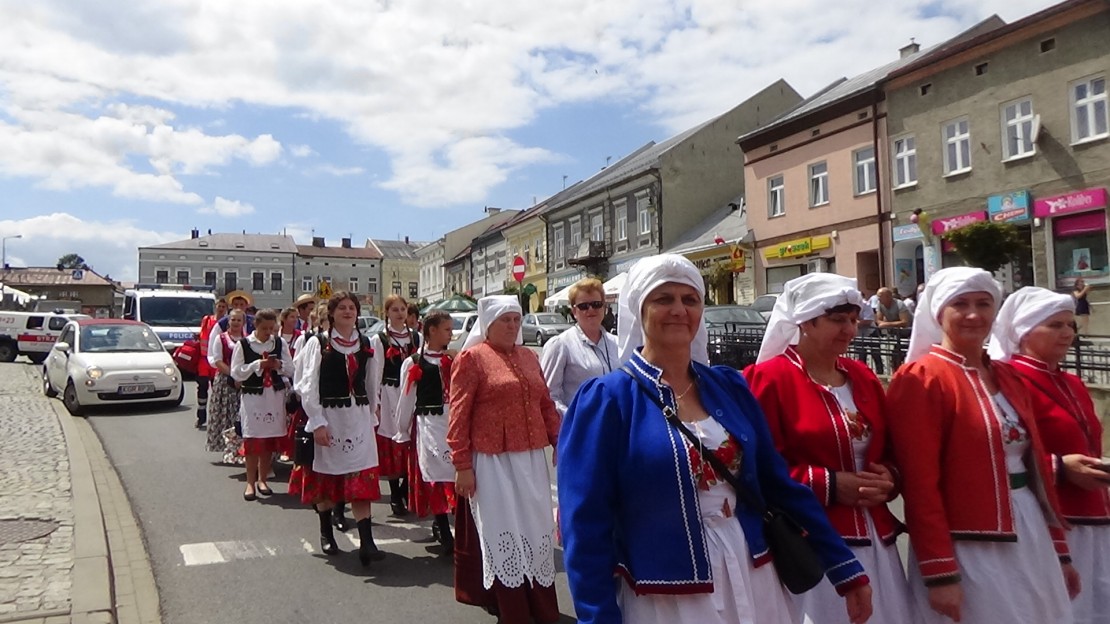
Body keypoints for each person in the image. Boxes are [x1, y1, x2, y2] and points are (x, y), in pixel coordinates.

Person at [559, 255, 871, 624]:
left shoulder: (729, 386)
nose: (679, 310)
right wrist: (597, 617)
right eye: (664, 299)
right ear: (638, 309)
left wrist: (844, 567)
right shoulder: (607, 399)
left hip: (753, 572)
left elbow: (777, 484)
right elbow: (585, 524)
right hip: (667, 593)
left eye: (690, 300)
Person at [887, 267, 1078, 624]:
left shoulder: (1008, 376)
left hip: (1030, 529)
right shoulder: (922, 379)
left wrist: (1061, 553)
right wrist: (939, 571)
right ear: (938, 312)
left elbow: (1035, 470)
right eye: (961, 304)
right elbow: (920, 484)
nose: (974, 314)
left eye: (984, 304)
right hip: (967, 544)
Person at [745, 273, 915, 624]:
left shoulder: (862, 376)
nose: (849, 330)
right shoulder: (769, 379)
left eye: (853, 320)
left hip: (877, 539)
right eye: (837, 320)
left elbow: (891, 450)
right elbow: (757, 468)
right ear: (805, 322)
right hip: (813, 542)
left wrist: (890, 478)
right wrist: (831, 484)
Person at [989, 287, 1110, 624]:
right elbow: (1000, 453)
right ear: (1025, 331)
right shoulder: (1008, 380)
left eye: (1070, 325)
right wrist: (1058, 468)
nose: (1067, 333)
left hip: (1098, 520)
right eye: (1054, 325)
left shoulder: (1072, 383)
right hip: (1053, 520)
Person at [448, 295, 561, 624]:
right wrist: (462, 465)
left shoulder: (528, 356)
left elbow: (545, 405)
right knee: (503, 533)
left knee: (536, 529)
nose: (512, 326)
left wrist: (560, 443)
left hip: (530, 458)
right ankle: (512, 612)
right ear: (488, 325)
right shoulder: (472, 359)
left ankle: (541, 609)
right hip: (492, 460)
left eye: (516, 319)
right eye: (505, 320)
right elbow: (459, 415)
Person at [294, 291, 385, 566]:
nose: (348, 311)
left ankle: (367, 542)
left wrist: (372, 412)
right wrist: (317, 422)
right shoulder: (318, 343)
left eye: (352, 308)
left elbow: (372, 381)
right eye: (342, 308)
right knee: (326, 479)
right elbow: (308, 386)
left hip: (357, 418)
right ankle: (326, 531)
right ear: (331, 314)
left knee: (362, 479)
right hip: (330, 418)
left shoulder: (368, 342)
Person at [394, 311, 457, 552]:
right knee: (436, 475)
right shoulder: (413, 363)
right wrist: (402, 429)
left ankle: (450, 523)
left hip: (452, 423)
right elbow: (406, 398)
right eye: (447, 330)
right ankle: (441, 523)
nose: (451, 334)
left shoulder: (453, 359)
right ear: (431, 331)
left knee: (454, 472)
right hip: (429, 424)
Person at [230, 309, 293, 501]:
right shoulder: (243, 344)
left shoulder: (279, 343)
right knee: (253, 441)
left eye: (271, 328)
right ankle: (250, 482)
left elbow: (291, 369)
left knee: (267, 442)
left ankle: (263, 479)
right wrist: (257, 365)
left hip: (273, 397)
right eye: (264, 328)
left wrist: (278, 365)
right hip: (253, 398)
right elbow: (236, 373)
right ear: (255, 326)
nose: (268, 332)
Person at [369, 294, 420, 516]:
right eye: (395, 310)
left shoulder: (416, 338)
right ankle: (395, 493)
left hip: (412, 393)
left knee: (413, 441)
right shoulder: (379, 339)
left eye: (403, 309)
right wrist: (376, 402)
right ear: (387, 313)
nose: (400, 314)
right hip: (390, 392)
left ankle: (405, 486)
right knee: (392, 442)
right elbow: (376, 372)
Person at [540, 277, 618, 417]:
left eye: (596, 304)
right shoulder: (560, 345)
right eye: (583, 306)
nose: (590, 310)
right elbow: (548, 396)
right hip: (581, 429)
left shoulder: (617, 343)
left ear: (604, 308)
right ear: (574, 312)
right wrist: (574, 420)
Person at [206, 308, 247, 465]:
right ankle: (226, 449)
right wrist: (234, 374)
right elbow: (218, 360)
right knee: (224, 415)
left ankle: (241, 450)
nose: (236, 323)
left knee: (239, 415)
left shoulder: (247, 339)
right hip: (225, 381)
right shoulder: (221, 338)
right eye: (233, 319)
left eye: (239, 320)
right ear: (228, 321)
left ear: (243, 322)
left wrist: (242, 377)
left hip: (242, 382)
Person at [196, 297, 228, 430]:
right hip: (203, 360)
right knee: (202, 389)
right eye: (219, 306)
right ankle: (201, 417)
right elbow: (201, 336)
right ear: (215, 307)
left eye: (223, 307)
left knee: (217, 391)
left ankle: (216, 419)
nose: (220, 309)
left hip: (216, 361)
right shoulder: (207, 320)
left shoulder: (226, 323)